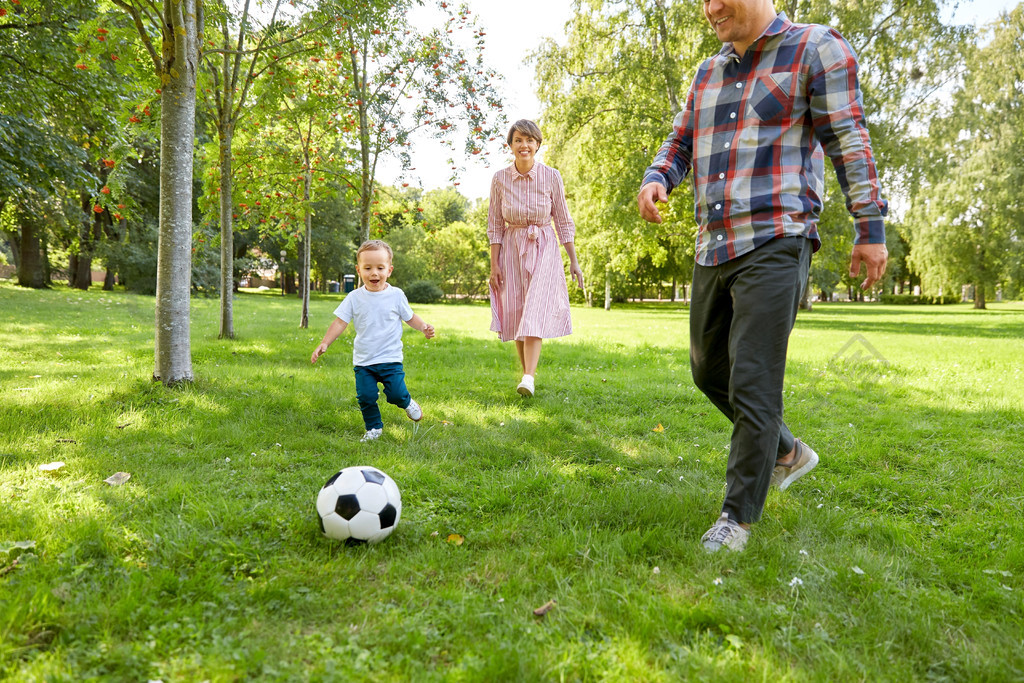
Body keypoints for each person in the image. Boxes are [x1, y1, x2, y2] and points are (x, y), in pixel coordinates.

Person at [637, 0, 888, 552]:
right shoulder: (708, 72)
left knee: (754, 381)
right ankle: (787, 450)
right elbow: (681, 142)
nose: (710, 8)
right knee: (709, 372)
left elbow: (849, 138)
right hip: (714, 244)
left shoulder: (815, 48)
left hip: (778, 237)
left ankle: (736, 518)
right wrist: (659, 177)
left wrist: (869, 224)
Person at [487, 119, 585, 397]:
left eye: (530, 140)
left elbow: (563, 221)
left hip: (544, 248)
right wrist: (494, 264)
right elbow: (495, 225)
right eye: (518, 140)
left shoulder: (551, 176)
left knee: (534, 311)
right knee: (518, 312)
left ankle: (528, 376)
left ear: (538, 145)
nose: (524, 145)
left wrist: (573, 260)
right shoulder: (499, 179)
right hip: (512, 249)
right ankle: (526, 376)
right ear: (510, 145)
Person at [311, 240, 435, 442]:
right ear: (358, 270)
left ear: (390, 270)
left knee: (395, 394)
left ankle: (407, 402)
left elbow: (410, 316)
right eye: (368, 268)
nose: (374, 273)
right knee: (366, 397)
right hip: (364, 360)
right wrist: (325, 343)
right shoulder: (354, 297)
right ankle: (373, 428)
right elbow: (340, 322)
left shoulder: (396, 295)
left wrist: (424, 327)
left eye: (380, 268)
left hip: (390, 358)